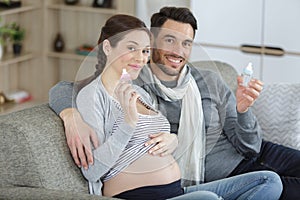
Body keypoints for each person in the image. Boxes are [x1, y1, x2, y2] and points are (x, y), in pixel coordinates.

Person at [48, 8, 288, 199]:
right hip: (185, 181)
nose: (178, 50)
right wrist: (70, 114)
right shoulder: (134, 81)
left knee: (270, 181)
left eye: (186, 43)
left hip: (250, 155)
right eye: (170, 40)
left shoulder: (198, 81)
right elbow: (68, 89)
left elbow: (251, 146)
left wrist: (241, 111)